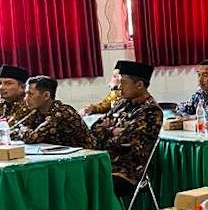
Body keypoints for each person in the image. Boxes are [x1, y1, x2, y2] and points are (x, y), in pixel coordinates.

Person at [89, 61, 162, 198]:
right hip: (107, 164)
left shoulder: (150, 111)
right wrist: (112, 131)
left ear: (139, 85)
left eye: (124, 82)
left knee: (85, 184)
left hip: (128, 172)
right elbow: (94, 129)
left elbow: (124, 142)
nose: (119, 86)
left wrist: (107, 130)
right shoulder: (122, 103)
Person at [10, 76, 91, 148]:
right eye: (26, 94)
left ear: (46, 95)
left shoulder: (62, 112)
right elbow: (11, 131)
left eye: (30, 94)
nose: (25, 99)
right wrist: (22, 129)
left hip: (87, 155)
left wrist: (21, 129)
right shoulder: (37, 111)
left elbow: (33, 137)